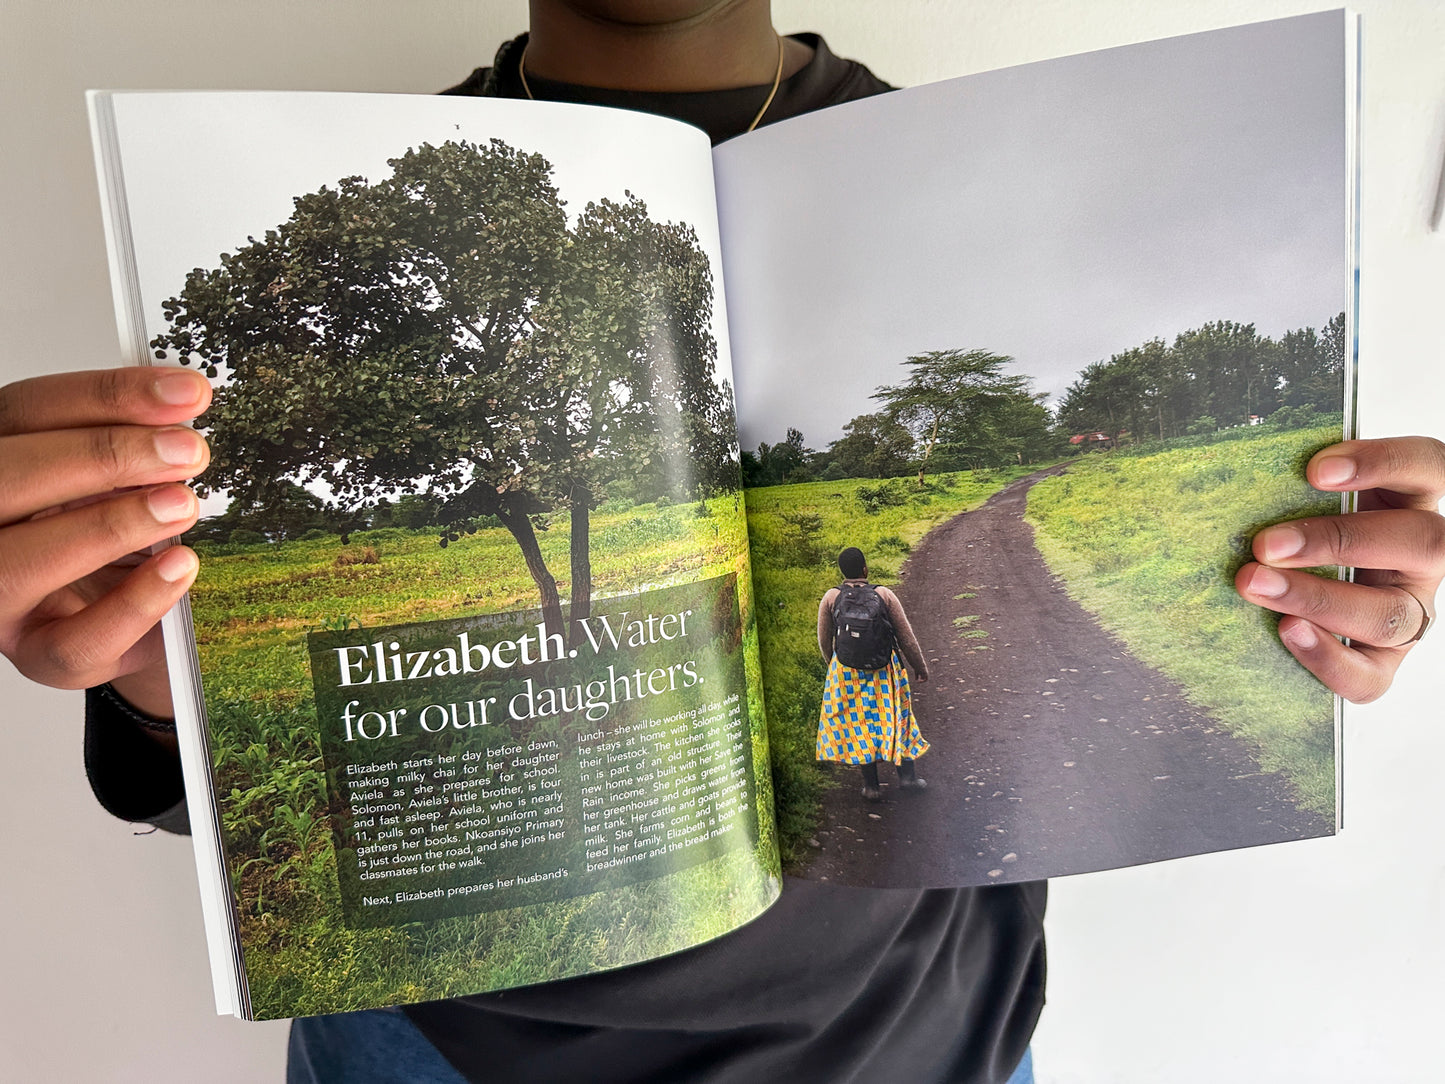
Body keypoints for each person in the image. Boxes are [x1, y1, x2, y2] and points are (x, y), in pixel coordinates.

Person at [1, 3, 1442, 1082]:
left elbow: (1244, 622)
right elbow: (238, 792)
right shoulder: (315, 230)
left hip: (919, 1046)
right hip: (434, 1050)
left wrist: (1318, 607)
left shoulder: (976, 201)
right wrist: (148, 692)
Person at [817, 546, 931, 800]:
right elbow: (906, 638)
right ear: (865, 569)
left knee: (861, 724)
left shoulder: (830, 598)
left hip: (847, 672)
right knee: (898, 717)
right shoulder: (884, 594)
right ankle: (908, 778)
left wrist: (834, 666)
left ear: (842, 572)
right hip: (885, 670)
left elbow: (824, 640)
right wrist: (919, 667)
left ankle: (871, 787)